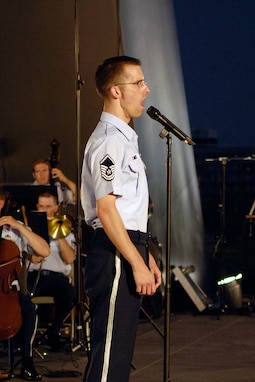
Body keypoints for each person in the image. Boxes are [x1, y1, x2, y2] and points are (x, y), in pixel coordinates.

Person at [80, 56, 162, 382]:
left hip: (126, 246)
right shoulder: (110, 141)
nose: (146, 89)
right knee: (110, 355)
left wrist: (146, 256)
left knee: (119, 354)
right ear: (116, 90)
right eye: (138, 83)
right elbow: (106, 210)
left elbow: (127, 209)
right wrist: (136, 263)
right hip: (113, 253)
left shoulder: (124, 138)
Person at [0, 192, 50, 381]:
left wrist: (19, 226)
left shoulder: (16, 230)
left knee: (28, 308)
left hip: (9, 290)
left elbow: (44, 250)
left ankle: (27, 363)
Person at [26, 192, 76, 351]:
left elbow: (69, 259)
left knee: (69, 293)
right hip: (34, 276)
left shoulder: (65, 228)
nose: (44, 210)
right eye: (41, 206)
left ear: (55, 208)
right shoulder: (28, 229)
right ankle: (24, 339)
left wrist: (58, 234)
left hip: (56, 277)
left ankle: (54, 331)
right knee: (20, 296)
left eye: (48, 207)